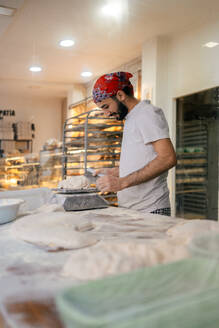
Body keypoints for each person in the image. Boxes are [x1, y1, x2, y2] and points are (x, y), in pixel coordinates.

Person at [92, 72, 177, 216]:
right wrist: (118, 171)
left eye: (106, 106)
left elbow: (168, 158)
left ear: (120, 95)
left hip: (151, 209)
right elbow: (144, 158)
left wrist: (122, 182)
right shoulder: (132, 118)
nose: (106, 113)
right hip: (134, 209)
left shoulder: (147, 114)